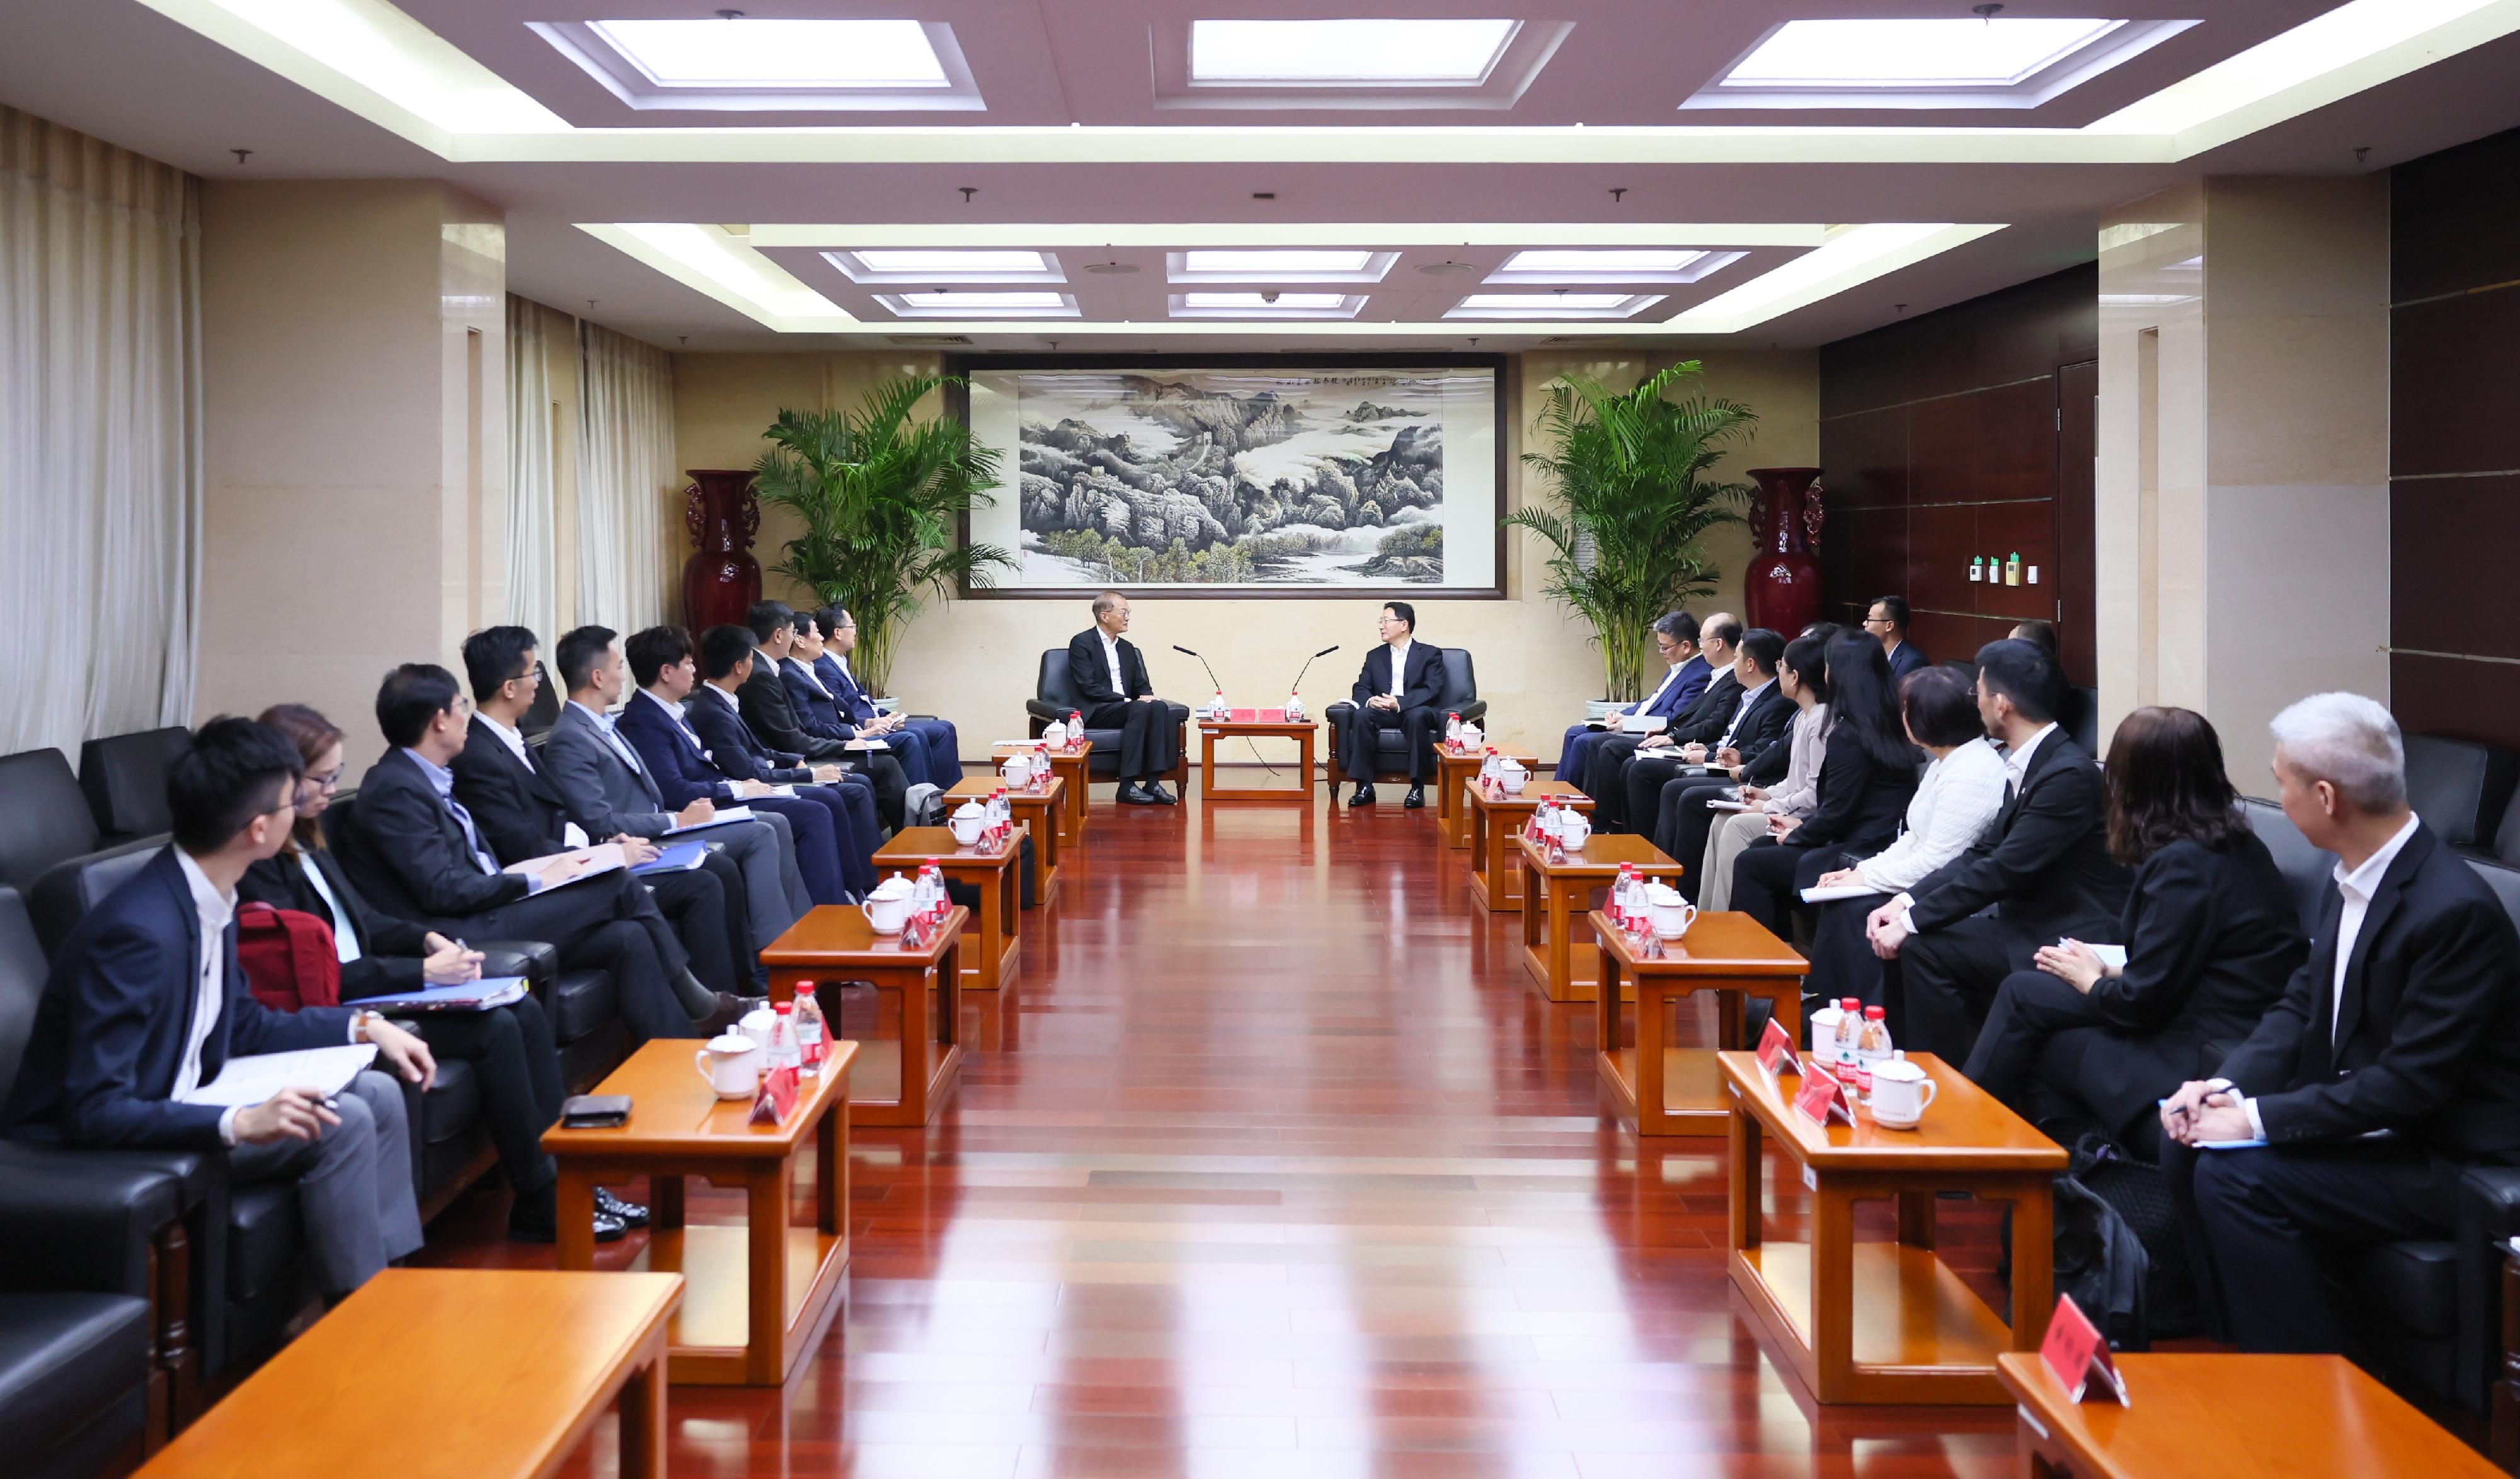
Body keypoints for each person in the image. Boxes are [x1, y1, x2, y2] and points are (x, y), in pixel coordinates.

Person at [4, 718, 428, 1299]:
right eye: (290, 800)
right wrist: (241, 1122)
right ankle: (358, 1320)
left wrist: (363, 1026)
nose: (303, 809)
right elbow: (94, 1108)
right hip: (103, 1133)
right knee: (342, 1121)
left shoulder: (211, 895)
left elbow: (243, 1024)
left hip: (183, 1090)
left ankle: (393, 1287)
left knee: (376, 1090)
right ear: (259, 829)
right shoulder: (139, 933)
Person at [2162, 692, 2520, 1353]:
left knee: (2234, 1173)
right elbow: (2301, 1002)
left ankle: (2313, 1393)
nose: (2277, 795)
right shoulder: (2353, 872)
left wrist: (2256, 1119)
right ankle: (2239, 1356)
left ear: (2326, 797)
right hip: (2382, 1124)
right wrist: (2223, 1088)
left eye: (2280, 782)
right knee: (2186, 1143)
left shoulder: (2452, 911)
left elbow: (2412, 1083)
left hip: (2444, 1153)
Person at [240, 704, 637, 1244]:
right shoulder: (259, 865)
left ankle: (568, 1176)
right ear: (279, 781)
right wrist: (421, 970)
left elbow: (367, 920)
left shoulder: (309, 840)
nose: (332, 789)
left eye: (335, 776)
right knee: (495, 1027)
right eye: (322, 778)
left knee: (517, 1004)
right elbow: (322, 973)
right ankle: (540, 1198)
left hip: (376, 978)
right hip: (343, 1002)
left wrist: (425, 940)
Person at [1962, 707, 2303, 1160]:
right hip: (2215, 1019)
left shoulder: (2182, 865)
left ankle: (1966, 1145)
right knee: (2027, 994)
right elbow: (2185, 964)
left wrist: (2094, 981)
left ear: (2133, 782)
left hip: (2195, 1045)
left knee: (2030, 1013)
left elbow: (2142, 1005)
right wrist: (2109, 972)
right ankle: (2060, 1170)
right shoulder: (2236, 844)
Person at [335, 663, 704, 1046]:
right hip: (456, 930)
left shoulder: (430, 777)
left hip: (486, 910)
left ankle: (673, 1050)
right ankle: (696, 999)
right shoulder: (395, 790)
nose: (467, 714)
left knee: (626, 936)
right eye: (460, 704)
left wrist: (551, 870)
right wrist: (535, 879)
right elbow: (441, 890)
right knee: (615, 883)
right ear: (440, 721)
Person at [451, 626, 756, 1008]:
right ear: (509, 687)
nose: (539, 685)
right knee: (693, 884)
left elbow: (563, 819)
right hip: (549, 878)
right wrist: (606, 851)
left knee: (713, 872)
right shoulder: (483, 756)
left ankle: (726, 998)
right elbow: (524, 843)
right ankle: (708, 1005)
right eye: (534, 674)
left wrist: (606, 846)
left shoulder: (514, 741)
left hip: (585, 855)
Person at [1863, 639, 2130, 1061]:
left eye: (1979, 692)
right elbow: (1983, 852)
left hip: (2069, 936)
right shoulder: (2034, 761)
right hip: (2027, 922)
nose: (1976, 702)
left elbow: (2005, 869)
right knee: (1909, 938)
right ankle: (1894, 1065)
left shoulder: (2067, 775)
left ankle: (1940, 1083)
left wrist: (1912, 921)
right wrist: (1905, 902)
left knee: (1920, 945)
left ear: (2001, 704)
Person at [545, 624, 812, 952]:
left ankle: (797, 935)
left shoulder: (603, 724)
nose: (624, 676)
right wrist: (679, 820)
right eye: (618, 668)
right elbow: (602, 820)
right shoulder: (576, 735)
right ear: (598, 678)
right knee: (762, 831)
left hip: (668, 818)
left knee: (771, 826)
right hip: (650, 831)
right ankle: (778, 951)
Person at [1797, 667, 2008, 1023]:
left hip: (1952, 892)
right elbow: (1912, 837)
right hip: (1929, 877)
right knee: (1843, 899)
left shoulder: (1972, 772)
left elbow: (1939, 860)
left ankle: (1865, 1019)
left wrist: (1865, 881)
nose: (1901, 717)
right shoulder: (1948, 761)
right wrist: (1859, 872)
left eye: (1907, 709)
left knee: (1857, 909)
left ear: (1927, 718)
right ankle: (1831, 1008)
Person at [614, 625, 872, 904]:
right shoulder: (646, 720)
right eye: (688, 664)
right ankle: (832, 907)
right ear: (666, 672)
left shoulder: (672, 710)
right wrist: (737, 789)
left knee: (826, 800)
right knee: (813, 811)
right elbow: (673, 789)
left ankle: (846, 895)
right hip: (705, 805)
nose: (694, 671)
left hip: (725, 791)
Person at [1726, 632, 1921, 937]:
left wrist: (1795, 834)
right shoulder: (1888, 721)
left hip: (1857, 847)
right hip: (1875, 838)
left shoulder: (1848, 733)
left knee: (1752, 862)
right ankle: (1779, 956)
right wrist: (1797, 826)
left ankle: (1761, 966)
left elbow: (1836, 813)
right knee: (1762, 848)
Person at [686, 625, 892, 897]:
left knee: (853, 787)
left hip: (767, 776)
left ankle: (863, 884)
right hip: (749, 788)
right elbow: (748, 771)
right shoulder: (713, 711)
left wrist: (794, 761)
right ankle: (842, 896)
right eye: (751, 657)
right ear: (739, 666)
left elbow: (759, 750)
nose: (754, 663)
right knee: (830, 801)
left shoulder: (724, 702)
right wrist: (807, 775)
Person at [1633, 629, 1796, 872]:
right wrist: (1706, 748)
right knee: (1652, 773)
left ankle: (1673, 873)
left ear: (1750, 664)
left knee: (1677, 789)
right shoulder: (1748, 694)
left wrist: (1710, 756)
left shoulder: (1778, 702)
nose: (1733, 662)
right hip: (1721, 761)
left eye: (1737, 656)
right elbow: (1729, 738)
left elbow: (1765, 751)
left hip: (1749, 776)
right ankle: (1658, 861)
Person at [741, 601, 910, 828]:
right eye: (793, 632)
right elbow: (794, 735)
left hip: (805, 750)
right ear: (780, 635)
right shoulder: (766, 676)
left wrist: (861, 728)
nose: (821, 638)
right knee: (880, 768)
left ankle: (910, 829)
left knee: (885, 763)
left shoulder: (775, 670)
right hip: (794, 759)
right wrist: (845, 743)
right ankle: (905, 836)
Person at [1700, 632, 1829, 912]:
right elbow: (1794, 781)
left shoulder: (1820, 721)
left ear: (1795, 677)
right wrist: (1767, 792)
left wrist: (1769, 805)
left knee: (1737, 826)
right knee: (1723, 817)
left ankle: (1725, 922)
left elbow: (1814, 793)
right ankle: (1707, 912)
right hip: (1787, 805)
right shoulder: (1803, 717)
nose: (1777, 671)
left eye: (1782, 666)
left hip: (1801, 816)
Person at [1583, 613, 1741, 827]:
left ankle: (1618, 828)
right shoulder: (1713, 675)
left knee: (1623, 757)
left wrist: (1673, 736)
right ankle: (1598, 818)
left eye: (1702, 640)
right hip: (1676, 736)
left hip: (1696, 746)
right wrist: (1630, 717)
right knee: (1590, 739)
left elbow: (1713, 722)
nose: (1700, 646)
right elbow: (1655, 702)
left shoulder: (1723, 678)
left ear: (1719, 644)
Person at [807, 605, 963, 791]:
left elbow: (861, 700)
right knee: (922, 735)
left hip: (877, 723)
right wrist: (870, 723)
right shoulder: (824, 667)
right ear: (838, 633)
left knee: (944, 727)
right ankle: (929, 799)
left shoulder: (838, 661)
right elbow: (839, 713)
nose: (856, 632)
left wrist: (887, 716)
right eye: (853, 627)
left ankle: (948, 793)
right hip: (864, 731)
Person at [1557, 612, 1708, 794]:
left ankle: (1574, 799)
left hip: (1652, 733)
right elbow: (1652, 701)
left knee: (1584, 742)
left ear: (1685, 646)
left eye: (1665, 647)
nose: (1661, 652)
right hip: (1637, 723)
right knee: (1574, 733)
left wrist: (1628, 724)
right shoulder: (1678, 666)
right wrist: (1624, 714)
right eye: (1659, 646)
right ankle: (1559, 792)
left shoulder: (1701, 674)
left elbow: (1674, 718)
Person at [1063, 590, 1181, 805]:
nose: (1127, 617)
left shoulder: (1127, 648)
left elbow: (1141, 684)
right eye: (1124, 612)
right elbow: (1088, 687)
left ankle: (1153, 783)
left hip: (1128, 709)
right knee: (1140, 708)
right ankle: (1127, 786)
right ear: (1104, 616)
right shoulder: (1082, 643)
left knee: (1158, 707)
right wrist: (1128, 701)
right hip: (1097, 709)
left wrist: (1149, 697)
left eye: (1129, 612)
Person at [1342, 601, 1448, 808]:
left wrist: (1399, 703)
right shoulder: (1375, 656)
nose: (1381, 625)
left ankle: (1417, 787)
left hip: (1415, 709)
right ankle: (1364, 787)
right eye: (1380, 621)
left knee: (1416, 717)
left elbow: (1432, 689)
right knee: (1362, 715)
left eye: (1386, 621)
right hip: (1384, 711)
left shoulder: (1430, 654)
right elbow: (1361, 687)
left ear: (1404, 625)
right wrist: (1371, 700)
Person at [1865, 596, 1929, 680]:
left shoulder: (1913, 663)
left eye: (1870, 619)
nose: (1865, 623)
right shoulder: (1872, 655)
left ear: (1889, 626)